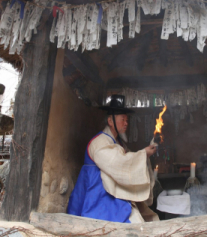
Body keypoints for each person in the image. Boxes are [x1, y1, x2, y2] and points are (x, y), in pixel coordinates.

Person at [67, 95, 159, 223]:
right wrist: (143, 154)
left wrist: (144, 155)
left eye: (127, 120)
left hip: (111, 192)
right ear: (110, 121)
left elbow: (127, 159)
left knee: (143, 220)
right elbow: (118, 163)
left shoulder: (118, 142)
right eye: (123, 119)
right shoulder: (99, 142)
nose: (126, 123)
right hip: (98, 194)